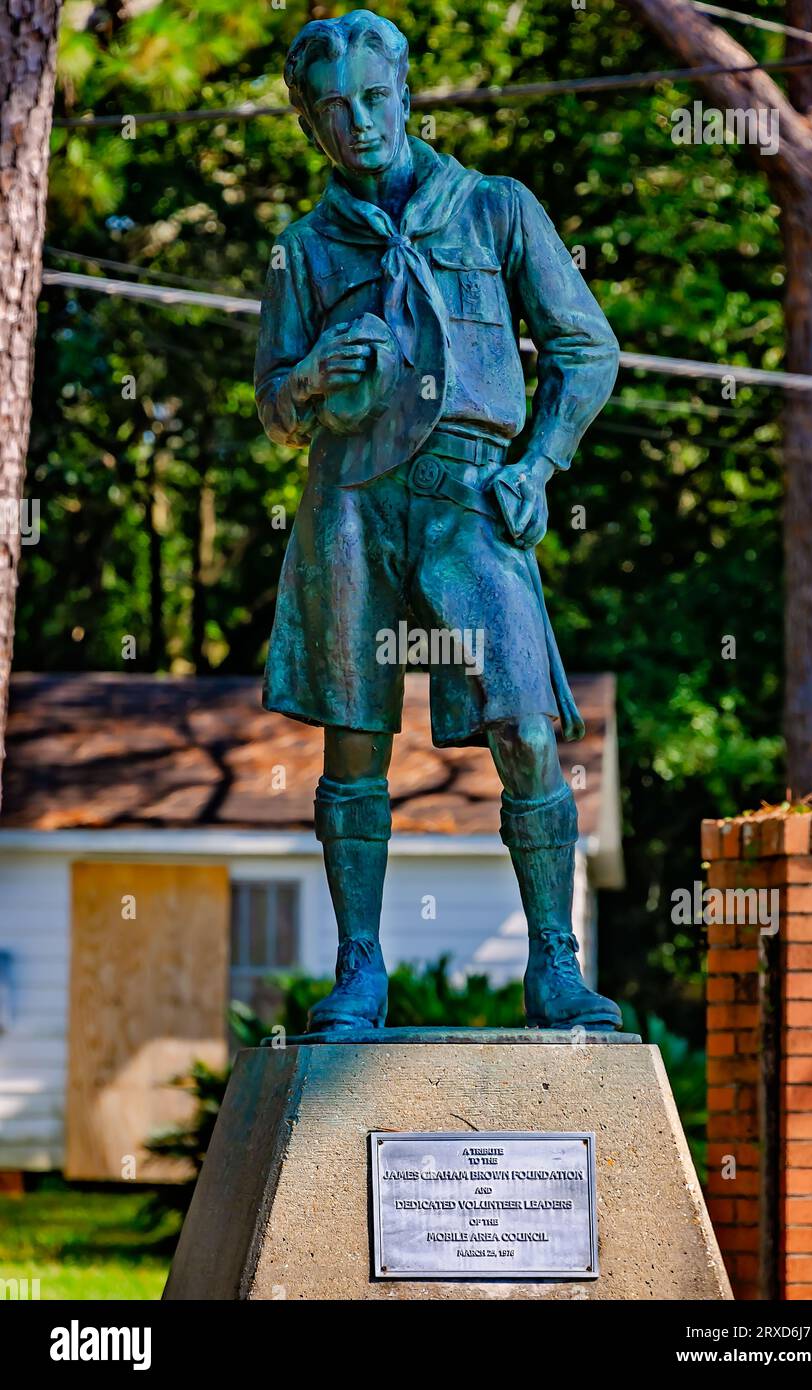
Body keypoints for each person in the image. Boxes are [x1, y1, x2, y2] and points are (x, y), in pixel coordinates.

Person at [255, 10, 622, 1032]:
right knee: (354, 737)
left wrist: (540, 465)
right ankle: (360, 969)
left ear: (407, 94)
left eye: (374, 98)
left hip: (472, 493)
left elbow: (585, 349)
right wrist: (313, 375)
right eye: (332, 108)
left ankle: (555, 966)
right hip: (350, 502)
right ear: (309, 122)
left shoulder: (495, 209)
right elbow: (274, 406)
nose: (357, 122)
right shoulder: (304, 248)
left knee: (526, 723)